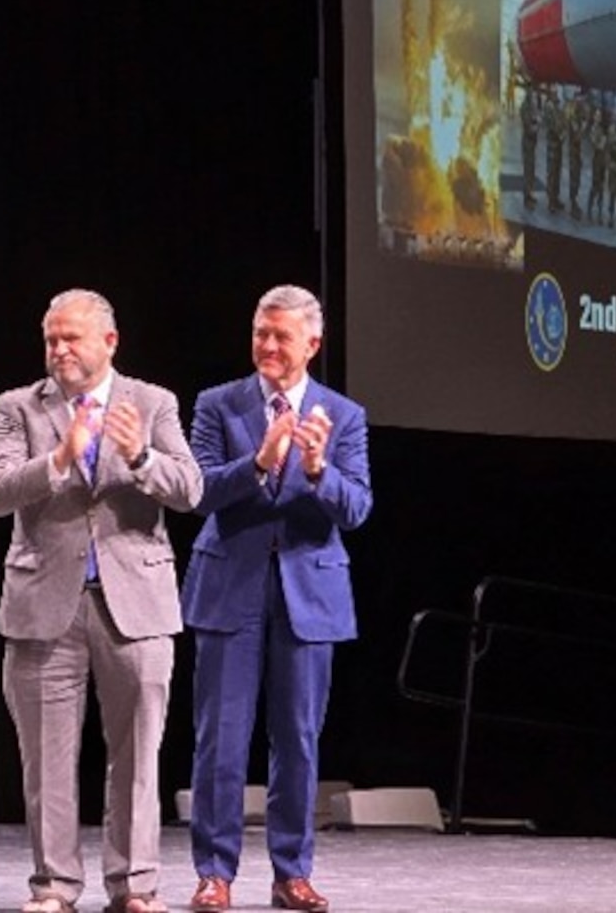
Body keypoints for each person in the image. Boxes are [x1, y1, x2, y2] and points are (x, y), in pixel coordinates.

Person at [0, 289, 202, 913]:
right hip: (44, 603)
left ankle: (135, 886)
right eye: (51, 339)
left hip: (136, 604)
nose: (59, 350)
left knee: (137, 756)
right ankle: (54, 887)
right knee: (46, 759)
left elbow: (189, 488)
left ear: (109, 341)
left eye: (71, 338)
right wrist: (59, 457)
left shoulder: (152, 403)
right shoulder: (18, 406)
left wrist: (139, 455)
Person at [181, 285, 371, 913]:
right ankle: (215, 873)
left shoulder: (343, 416)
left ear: (312, 344)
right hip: (229, 584)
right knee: (221, 739)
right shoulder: (218, 405)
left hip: (307, 593)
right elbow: (199, 491)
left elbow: (358, 507)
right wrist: (259, 463)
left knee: (297, 739)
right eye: (261, 333)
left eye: (280, 336)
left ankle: (292, 873)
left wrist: (318, 471)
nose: (267, 345)